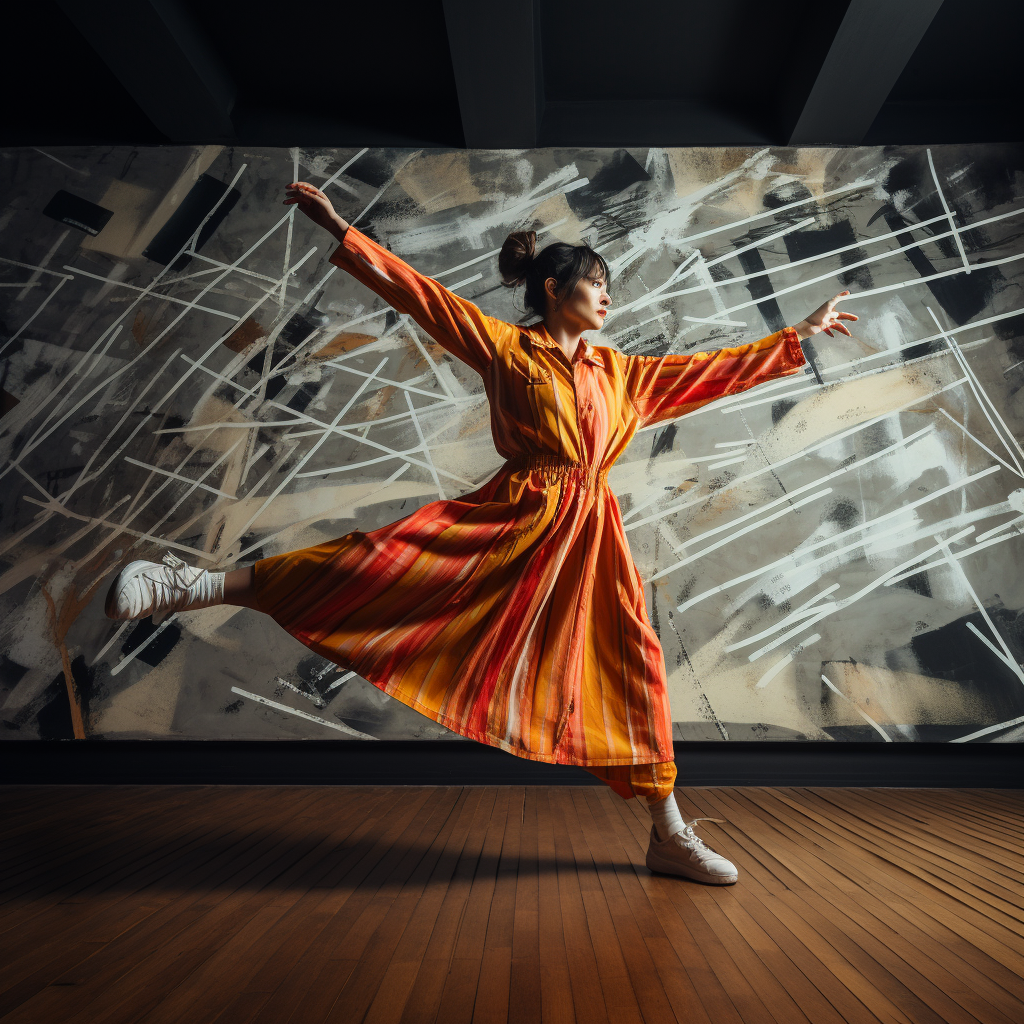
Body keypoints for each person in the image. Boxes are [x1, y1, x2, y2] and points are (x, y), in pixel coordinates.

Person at [105, 180, 856, 885]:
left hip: (587, 539)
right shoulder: (505, 348)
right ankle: (190, 583)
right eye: (596, 282)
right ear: (555, 290)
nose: (608, 296)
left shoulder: (621, 374)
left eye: (609, 285)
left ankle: (667, 833)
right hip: (508, 518)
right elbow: (420, 297)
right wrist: (342, 231)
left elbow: (710, 371)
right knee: (372, 565)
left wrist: (797, 335)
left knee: (635, 665)